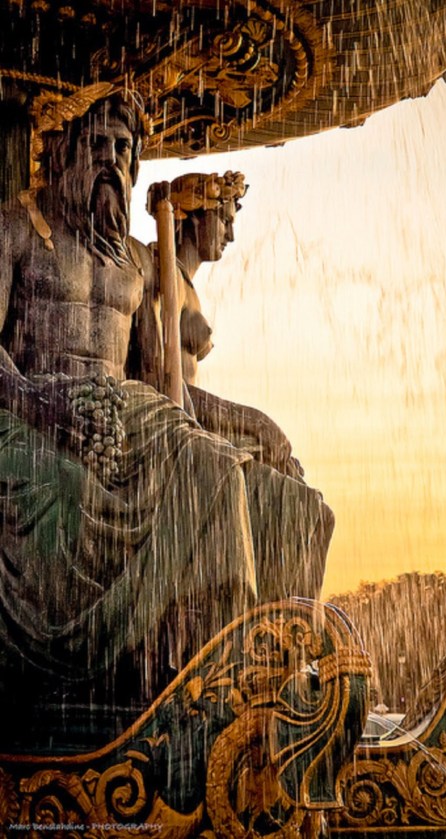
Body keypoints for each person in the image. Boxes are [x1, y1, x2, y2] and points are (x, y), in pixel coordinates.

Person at [0, 91, 333, 745]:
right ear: (63, 151)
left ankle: (284, 677)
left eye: (125, 150)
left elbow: (159, 381)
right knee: (209, 472)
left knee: (297, 506)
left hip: (133, 416)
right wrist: (45, 403)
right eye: (98, 143)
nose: (112, 160)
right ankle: (212, 689)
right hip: (35, 408)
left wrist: (252, 422)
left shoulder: (132, 259)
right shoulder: (14, 228)